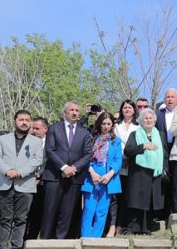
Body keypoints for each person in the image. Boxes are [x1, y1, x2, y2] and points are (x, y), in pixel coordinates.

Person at [0, 111, 45, 249]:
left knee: (21, 219)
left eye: (27, 120)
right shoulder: (3, 139)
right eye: (21, 119)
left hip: (25, 185)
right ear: (15, 121)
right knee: (5, 219)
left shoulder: (36, 142)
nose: (24, 122)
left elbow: (37, 160)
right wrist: (7, 171)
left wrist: (20, 172)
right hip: (5, 184)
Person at [41, 102, 92, 240]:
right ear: (65, 112)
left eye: (77, 110)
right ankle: (45, 242)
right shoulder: (54, 128)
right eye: (71, 110)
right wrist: (64, 167)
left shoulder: (84, 132)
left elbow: (88, 154)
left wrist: (73, 168)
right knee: (50, 211)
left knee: (67, 212)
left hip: (74, 177)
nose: (74, 113)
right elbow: (49, 150)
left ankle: (61, 242)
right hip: (54, 176)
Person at [80, 112, 122, 238]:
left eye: (109, 124)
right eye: (103, 123)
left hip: (108, 176)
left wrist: (109, 175)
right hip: (92, 175)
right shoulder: (91, 138)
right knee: (89, 208)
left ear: (112, 125)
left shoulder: (115, 141)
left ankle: (96, 238)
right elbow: (85, 157)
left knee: (102, 210)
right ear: (99, 124)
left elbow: (118, 160)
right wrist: (92, 173)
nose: (106, 127)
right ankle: (85, 236)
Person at [124, 109, 165, 234]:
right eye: (146, 118)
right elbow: (128, 151)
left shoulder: (160, 135)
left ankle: (147, 228)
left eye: (150, 118)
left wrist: (164, 169)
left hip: (154, 173)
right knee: (137, 200)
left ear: (154, 120)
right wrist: (144, 146)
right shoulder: (134, 134)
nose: (148, 120)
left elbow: (165, 153)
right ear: (141, 121)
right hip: (138, 172)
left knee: (150, 201)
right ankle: (133, 228)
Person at [112, 99, 139, 237]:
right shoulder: (116, 126)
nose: (127, 110)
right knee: (119, 196)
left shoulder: (138, 126)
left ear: (134, 110)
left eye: (130, 107)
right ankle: (118, 224)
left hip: (133, 164)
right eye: (125, 108)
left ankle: (128, 225)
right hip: (119, 164)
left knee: (130, 195)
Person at [25, 117, 50, 241]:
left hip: (43, 185)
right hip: (27, 183)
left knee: (40, 215)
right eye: (33, 128)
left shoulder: (51, 144)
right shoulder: (27, 143)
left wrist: (40, 177)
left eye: (37, 128)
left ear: (45, 129)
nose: (34, 131)